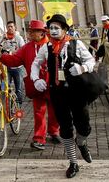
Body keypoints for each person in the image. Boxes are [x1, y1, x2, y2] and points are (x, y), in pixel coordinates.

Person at [31, 14, 95, 179]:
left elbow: (91, 61)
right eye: (50, 28)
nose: (52, 31)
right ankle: (73, 162)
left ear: (65, 29)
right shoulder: (46, 48)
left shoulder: (76, 44)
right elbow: (36, 63)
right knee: (65, 129)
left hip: (77, 91)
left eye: (56, 28)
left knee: (84, 126)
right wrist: (36, 79)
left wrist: (81, 68)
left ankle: (81, 143)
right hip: (58, 92)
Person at [0, 20, 60, 150]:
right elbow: (15, 60)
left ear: (41, 33)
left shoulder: (53, 45)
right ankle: (39, 138)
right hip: (35, 85)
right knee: (39, 112)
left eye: (33, 31)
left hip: (52, 84)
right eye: (30, 31)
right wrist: (2, 57)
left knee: (54, 110)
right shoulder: (27, 48)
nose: (30, 33)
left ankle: (54, 131)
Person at [0, 21, 25, 105]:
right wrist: (2, 41)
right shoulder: (4, 38)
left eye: (11, 26)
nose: (10, 28)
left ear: (15, 28)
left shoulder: (19, 38)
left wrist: (13, 52)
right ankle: (8, 105)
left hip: (18, 67)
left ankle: (18, 106)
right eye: (8, 27)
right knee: (6, 86)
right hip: (6, 66)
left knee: (19, 88)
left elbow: (23, 49)